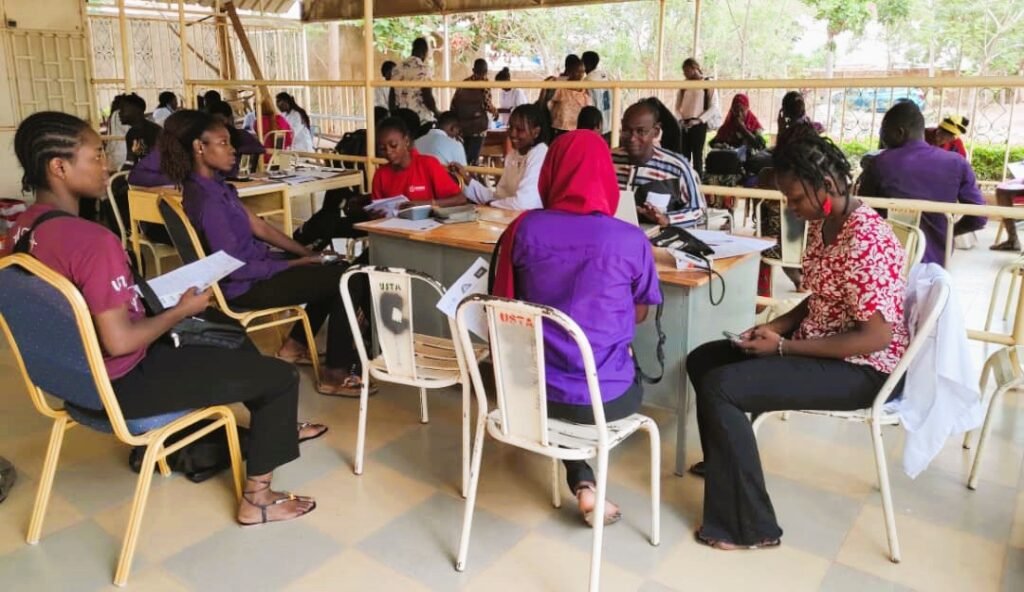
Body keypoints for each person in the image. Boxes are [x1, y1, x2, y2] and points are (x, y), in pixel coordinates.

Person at [8, 111, 317, 525]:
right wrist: (180, 311)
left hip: (75, 382)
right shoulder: (93, 242)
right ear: (59, 167)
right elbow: (119, 341)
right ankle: (257, 499)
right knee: (279, 378)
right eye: (97, 156)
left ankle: (228, 437)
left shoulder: (20, 229)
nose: (108, 167)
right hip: (124, 382)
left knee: (223, 331)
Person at [687, 133, 909, 551]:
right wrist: (775, 327)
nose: (791, 208)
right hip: (823, 345)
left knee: (723, 387)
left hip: (864, 369)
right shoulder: (826, 223)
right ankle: (726, 464)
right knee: (704, 360)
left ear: (826, 182)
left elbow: (875, 336)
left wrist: (784, 347)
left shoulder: (865, 239)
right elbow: (818, 302)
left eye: (794, 198)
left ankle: (750, 526)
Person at [492, 130, 662, 525]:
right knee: (597, 370)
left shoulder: (523, 229)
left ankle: (584, 483)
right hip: (610, 400)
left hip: (530, 397)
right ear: (607, 176)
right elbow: (639, 314)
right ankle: (586, 484)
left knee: (559, 371)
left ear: (552, 172)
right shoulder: (630, 239)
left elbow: (503, 311)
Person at [161, 110, 370, 397]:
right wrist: (298, 262)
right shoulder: (209, 202)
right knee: (349, 278)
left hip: (253, 271)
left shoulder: (214, 187)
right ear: (199, 147)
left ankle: (293, 347)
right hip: (244, 286)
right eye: (223, 143)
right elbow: (235, 267)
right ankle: (336, 374)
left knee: (330, 270)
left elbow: (258, 226)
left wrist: (306, 252)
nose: (233, 149)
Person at [858, 101, 986, 267]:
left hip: (885, 261)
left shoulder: (880, 162)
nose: (881, 137)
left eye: (883, 132)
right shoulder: (957, 163)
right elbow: (979, 216)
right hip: (937, 262)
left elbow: (862, 213)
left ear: (899, 132)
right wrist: (948, 233)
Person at [613, 99, 706, 228]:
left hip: (655, 243)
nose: (632, 138)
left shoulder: (676, 168)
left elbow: (698, 211)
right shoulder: (607, 160)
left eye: (640, 131)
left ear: (656, 132)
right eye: (626, 130)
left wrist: (667, 219)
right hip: (613, 237)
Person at [129, 101, 264, 186]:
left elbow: (225, 175)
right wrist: (179, 179)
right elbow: (135, 176)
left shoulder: (209, 149)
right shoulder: (164, 153)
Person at [452, 103, 549, 211]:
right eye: (510, 127)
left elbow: (523, 203)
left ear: (536, 132)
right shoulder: (514, 155)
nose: (512, 134)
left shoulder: (540, 154)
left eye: (520, 130)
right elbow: (499, 197)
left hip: (531, 220)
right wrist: (466, 178)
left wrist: (491, 204)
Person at [372, 117, 465, 206]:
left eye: (393, 145)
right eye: (382, 149)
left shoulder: (428, 164)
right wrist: (375, 215)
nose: (388, 152)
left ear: (406, 141)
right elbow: (377, 207)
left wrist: (426, 204)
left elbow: (460, 199)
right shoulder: (380, 174)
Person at [674, 58, 719, 176]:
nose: (685, 74)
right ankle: (683, 180)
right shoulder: (684, 85)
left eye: (687, 71)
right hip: (684, 123)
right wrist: (680, 120)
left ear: (695, 68)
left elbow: (713, 106)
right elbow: (677, 107)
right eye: (684, 72)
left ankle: (698, 183)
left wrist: (699, 120)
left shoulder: (708, 83)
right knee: (684, 155)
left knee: (697, 155)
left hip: (699, 123)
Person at [452, 58, 497, 165]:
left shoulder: (464, 83)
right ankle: (472, 177)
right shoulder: (485, 84)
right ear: (486, 71)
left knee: (464, 157)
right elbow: (487, 105)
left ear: (473, 70)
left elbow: (453, 104)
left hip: (463, 127)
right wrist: (495, 112)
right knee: (473, 159)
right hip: (478, 128)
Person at [390, 37, 440, 125]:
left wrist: (393, 115)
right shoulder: (424, 69)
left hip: (401, 119)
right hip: (420, 119)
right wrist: (436, 112)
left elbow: (392, 95)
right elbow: (427, 95)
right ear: (425, 52)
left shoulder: (396, 69)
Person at [548, 56, 590, 135]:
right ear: (569, 71)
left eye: (582, 72)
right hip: (561, 128)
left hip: (577, 128)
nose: (580, 75)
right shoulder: (560, 84)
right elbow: (549, 98)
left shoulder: (583, 87)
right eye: (577, 72)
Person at [120, 93, 161, 169]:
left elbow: (153, 160)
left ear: (137, 110)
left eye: (123, 109)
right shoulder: (132, 133)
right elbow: (132, 160)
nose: (120, 113)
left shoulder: (152, 131)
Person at [582, 51, 612, 137]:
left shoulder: (587, 80)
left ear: (585, 64)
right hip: (611, 122)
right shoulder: (606, 75)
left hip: (597, 124)